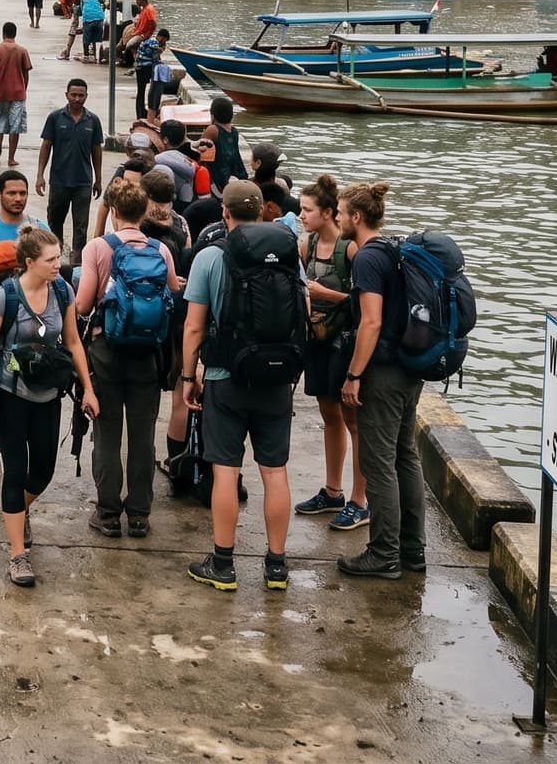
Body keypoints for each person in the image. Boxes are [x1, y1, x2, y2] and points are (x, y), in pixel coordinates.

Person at [180, 179, 304, 592]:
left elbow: (194, 327)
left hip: (225, 377)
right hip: (275, 378)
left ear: (225, 213)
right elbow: (299, 311)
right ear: (263, 212)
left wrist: (187, 377)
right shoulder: (287, 254)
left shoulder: (211, 256)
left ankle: (223, 564)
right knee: (275, 472)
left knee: (226, 472)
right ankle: (276, 567)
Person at [0, 227, 97, 587]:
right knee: (16, 471)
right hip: (9, 394)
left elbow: (72, 341)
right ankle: (17, 553)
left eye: (59, 257)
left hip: (47, 395)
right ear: (29, 263)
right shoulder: (4, 297)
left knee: (44, 470)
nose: (59, 264)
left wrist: (88, 388)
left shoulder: (62, 291)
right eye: (51, 260)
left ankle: (17, 511)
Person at [76, 178, 181, 539]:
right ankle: (139, 514)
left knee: (106, 434)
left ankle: (107, 513)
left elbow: (83, 304)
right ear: (143, 212)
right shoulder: (160, 249)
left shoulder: (98, 249)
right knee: (142, 435)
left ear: (114, 212)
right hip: (147, 354)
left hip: (107, 351)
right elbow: (171, 294)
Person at [337, 181, 425, 579]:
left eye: (340, 212)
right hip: (410, 369)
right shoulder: (393, 249)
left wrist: (354, 375)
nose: (337, 218)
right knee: (406, 456)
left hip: (384, 373)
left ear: (357, 217)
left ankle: (383, 553)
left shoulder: (367, 259)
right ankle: (412, 550)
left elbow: (370, 321)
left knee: (378, 462)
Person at [293, 174, 366, 532]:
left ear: (327, 212)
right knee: (329, 416)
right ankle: (333, 490)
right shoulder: (306, 246)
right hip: (317, 341)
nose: (301, 215)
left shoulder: (349, 250)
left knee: (353, 422)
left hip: (343, 345)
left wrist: (325, 294)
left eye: (307, 210)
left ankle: (360, 500)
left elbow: (363, 303)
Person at [35, 79, 103, 259]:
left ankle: (76, 261)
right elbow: (46, 147)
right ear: (67, 95)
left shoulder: (93, 121)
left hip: (83, 183)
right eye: (74, 95)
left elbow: (96, 150)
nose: (77, 99)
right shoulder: (55, 118)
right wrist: (40, 175)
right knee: (55, 221)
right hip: (59, 181)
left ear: (86, 97)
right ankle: (54, 255)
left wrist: (98, 179)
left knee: (81, 225)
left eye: (81, 95)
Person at [0, 21, 33, 165]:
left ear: (3, 33)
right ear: (15, 34)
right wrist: (24, 88)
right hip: (18, 93)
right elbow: (26, 72)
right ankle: (11, 158)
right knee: (15, 126)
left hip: (1, 93)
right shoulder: (22, 50)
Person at [199, 95, 242, 193]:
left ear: (213, 116)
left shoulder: (213, 129)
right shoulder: (234, 131)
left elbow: (201, 152)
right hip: (232, 173)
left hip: (218, 178)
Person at [153, 119, 197, 211]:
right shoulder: (189, 162)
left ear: (165, 140)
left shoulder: (157, 160)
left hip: (163, 207)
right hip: (185, 207)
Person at [78, 0, 106, 64]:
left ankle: (86, 56)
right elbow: (103, 4)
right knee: (97, 38)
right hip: (99, 17)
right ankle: (97, 56)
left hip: (88, 17)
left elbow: (81, 7)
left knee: (86, 38)